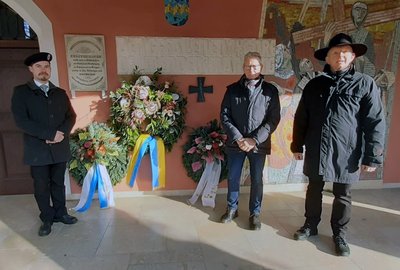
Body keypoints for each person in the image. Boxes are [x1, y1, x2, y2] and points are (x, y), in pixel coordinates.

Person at [291, 33, 385, 256]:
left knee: (343, 194)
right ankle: (310, 225)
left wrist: (372, 156)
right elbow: (301, 116)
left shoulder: (365, 84)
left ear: (352, 56)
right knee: (314, 188)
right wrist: (297, 145)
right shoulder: (315, 84)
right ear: (328, 58)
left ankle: (339, 234)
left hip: (347, 150)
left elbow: (375, 121)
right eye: (336, 52)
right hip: (316, 147)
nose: (340, 56)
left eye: (345, 53)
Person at [11, 52, 78, 236]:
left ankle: (61, 213)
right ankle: (47, 218)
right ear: (31, 69)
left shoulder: (60, 93)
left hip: (59, 148)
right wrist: (48, 134)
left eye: (46, 66)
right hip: (37, 150)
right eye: (39, 66)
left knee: (58, 183)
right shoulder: (21, 92)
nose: (43, 70)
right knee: (41, 186)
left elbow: (71, 116)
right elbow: (21, 121)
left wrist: (60, 134)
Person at [220, 52, 281, 230]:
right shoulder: (232, 90)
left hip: (258, 144)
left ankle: (255, 213)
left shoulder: (270, 91)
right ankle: (232, 208)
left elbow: (273, 119)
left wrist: (254, 139)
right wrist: (239, 138)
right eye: (247, 66)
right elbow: (225, 117)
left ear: (261, 68)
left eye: (254, 66)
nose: (251, 69)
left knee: (256, 179)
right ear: (243, 67)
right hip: (235, 143)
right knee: (233, 177)